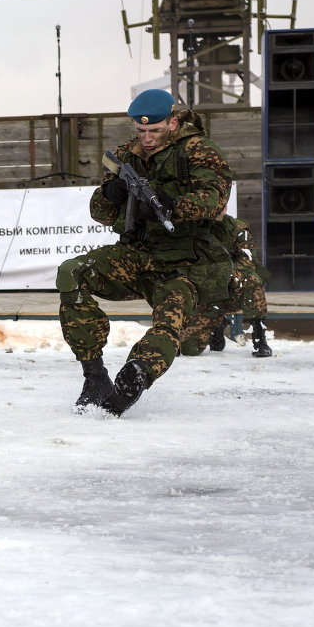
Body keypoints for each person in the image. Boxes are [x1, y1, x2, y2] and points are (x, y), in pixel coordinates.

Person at [56, 89, 234, 416]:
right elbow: (101, 214)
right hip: (137, 256)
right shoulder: (127, 154)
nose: (147, 138)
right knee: (72, 272)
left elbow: (215, 199)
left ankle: (136, 375)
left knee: (175, 328)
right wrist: (111, 192)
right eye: (141, 131)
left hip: (185, 263)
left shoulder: (200, 151)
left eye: (154, 130)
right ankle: (95, 376)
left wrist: (173, 205)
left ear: (173, 121)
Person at [180, 213, 272, 358]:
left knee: (251, 280)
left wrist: (223, 272)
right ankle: (218, 325)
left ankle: (259, 337)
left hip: (232, 291)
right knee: (188, 348)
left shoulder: (237, 229)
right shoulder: (194, 229)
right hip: (207, 295)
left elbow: (247, 262)